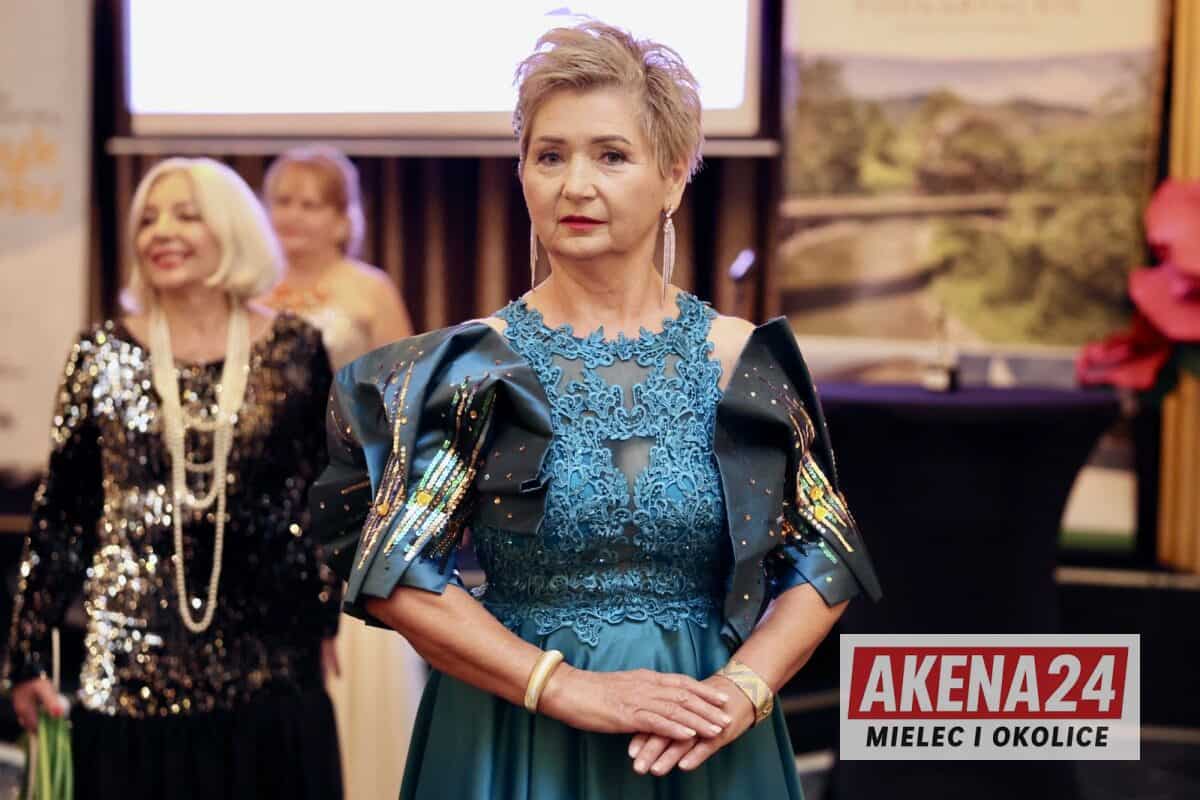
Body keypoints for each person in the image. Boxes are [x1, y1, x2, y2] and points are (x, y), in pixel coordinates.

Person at [311, 22, 882, 799]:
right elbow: (395, 570)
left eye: (610, 156)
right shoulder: (474, 369)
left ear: (673, 177)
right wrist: (562, 685)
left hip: (700, 740)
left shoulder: (740, 362)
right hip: (516, 739)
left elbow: (826, 554)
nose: (574, 184)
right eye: (550, 156)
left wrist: (744, 688)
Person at [3, 158, 343, 799]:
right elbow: (63, 516)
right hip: (129, 673)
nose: (161, 231)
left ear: (232, 230)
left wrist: (326, 614)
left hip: (271, 666)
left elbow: (322, 493)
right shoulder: (100, 354)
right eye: (148, 219)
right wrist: (26, 655)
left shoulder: (295, 350)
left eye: (186, 216)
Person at [262, 145, 420, 800]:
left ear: (341, 217)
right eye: (281, 201)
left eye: (309, 203)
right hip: (268, 497)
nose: (292, 216)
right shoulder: (248, 289)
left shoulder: (368, 289)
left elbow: (409, 398)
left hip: (352, 489)